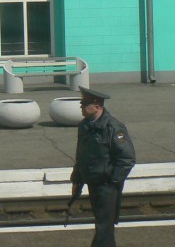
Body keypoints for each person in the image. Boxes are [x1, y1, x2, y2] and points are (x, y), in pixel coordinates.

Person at [69, 87, 136, 247]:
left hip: (107, 185)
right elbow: (81, 156)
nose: (81, 106)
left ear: (97, 105)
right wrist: (77, 179)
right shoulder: (85, 126)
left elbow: (127, 158)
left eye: (84, 103)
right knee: (103, 227)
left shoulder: (113, 127)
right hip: (93, 182)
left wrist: (112, 181)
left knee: (103, 228)